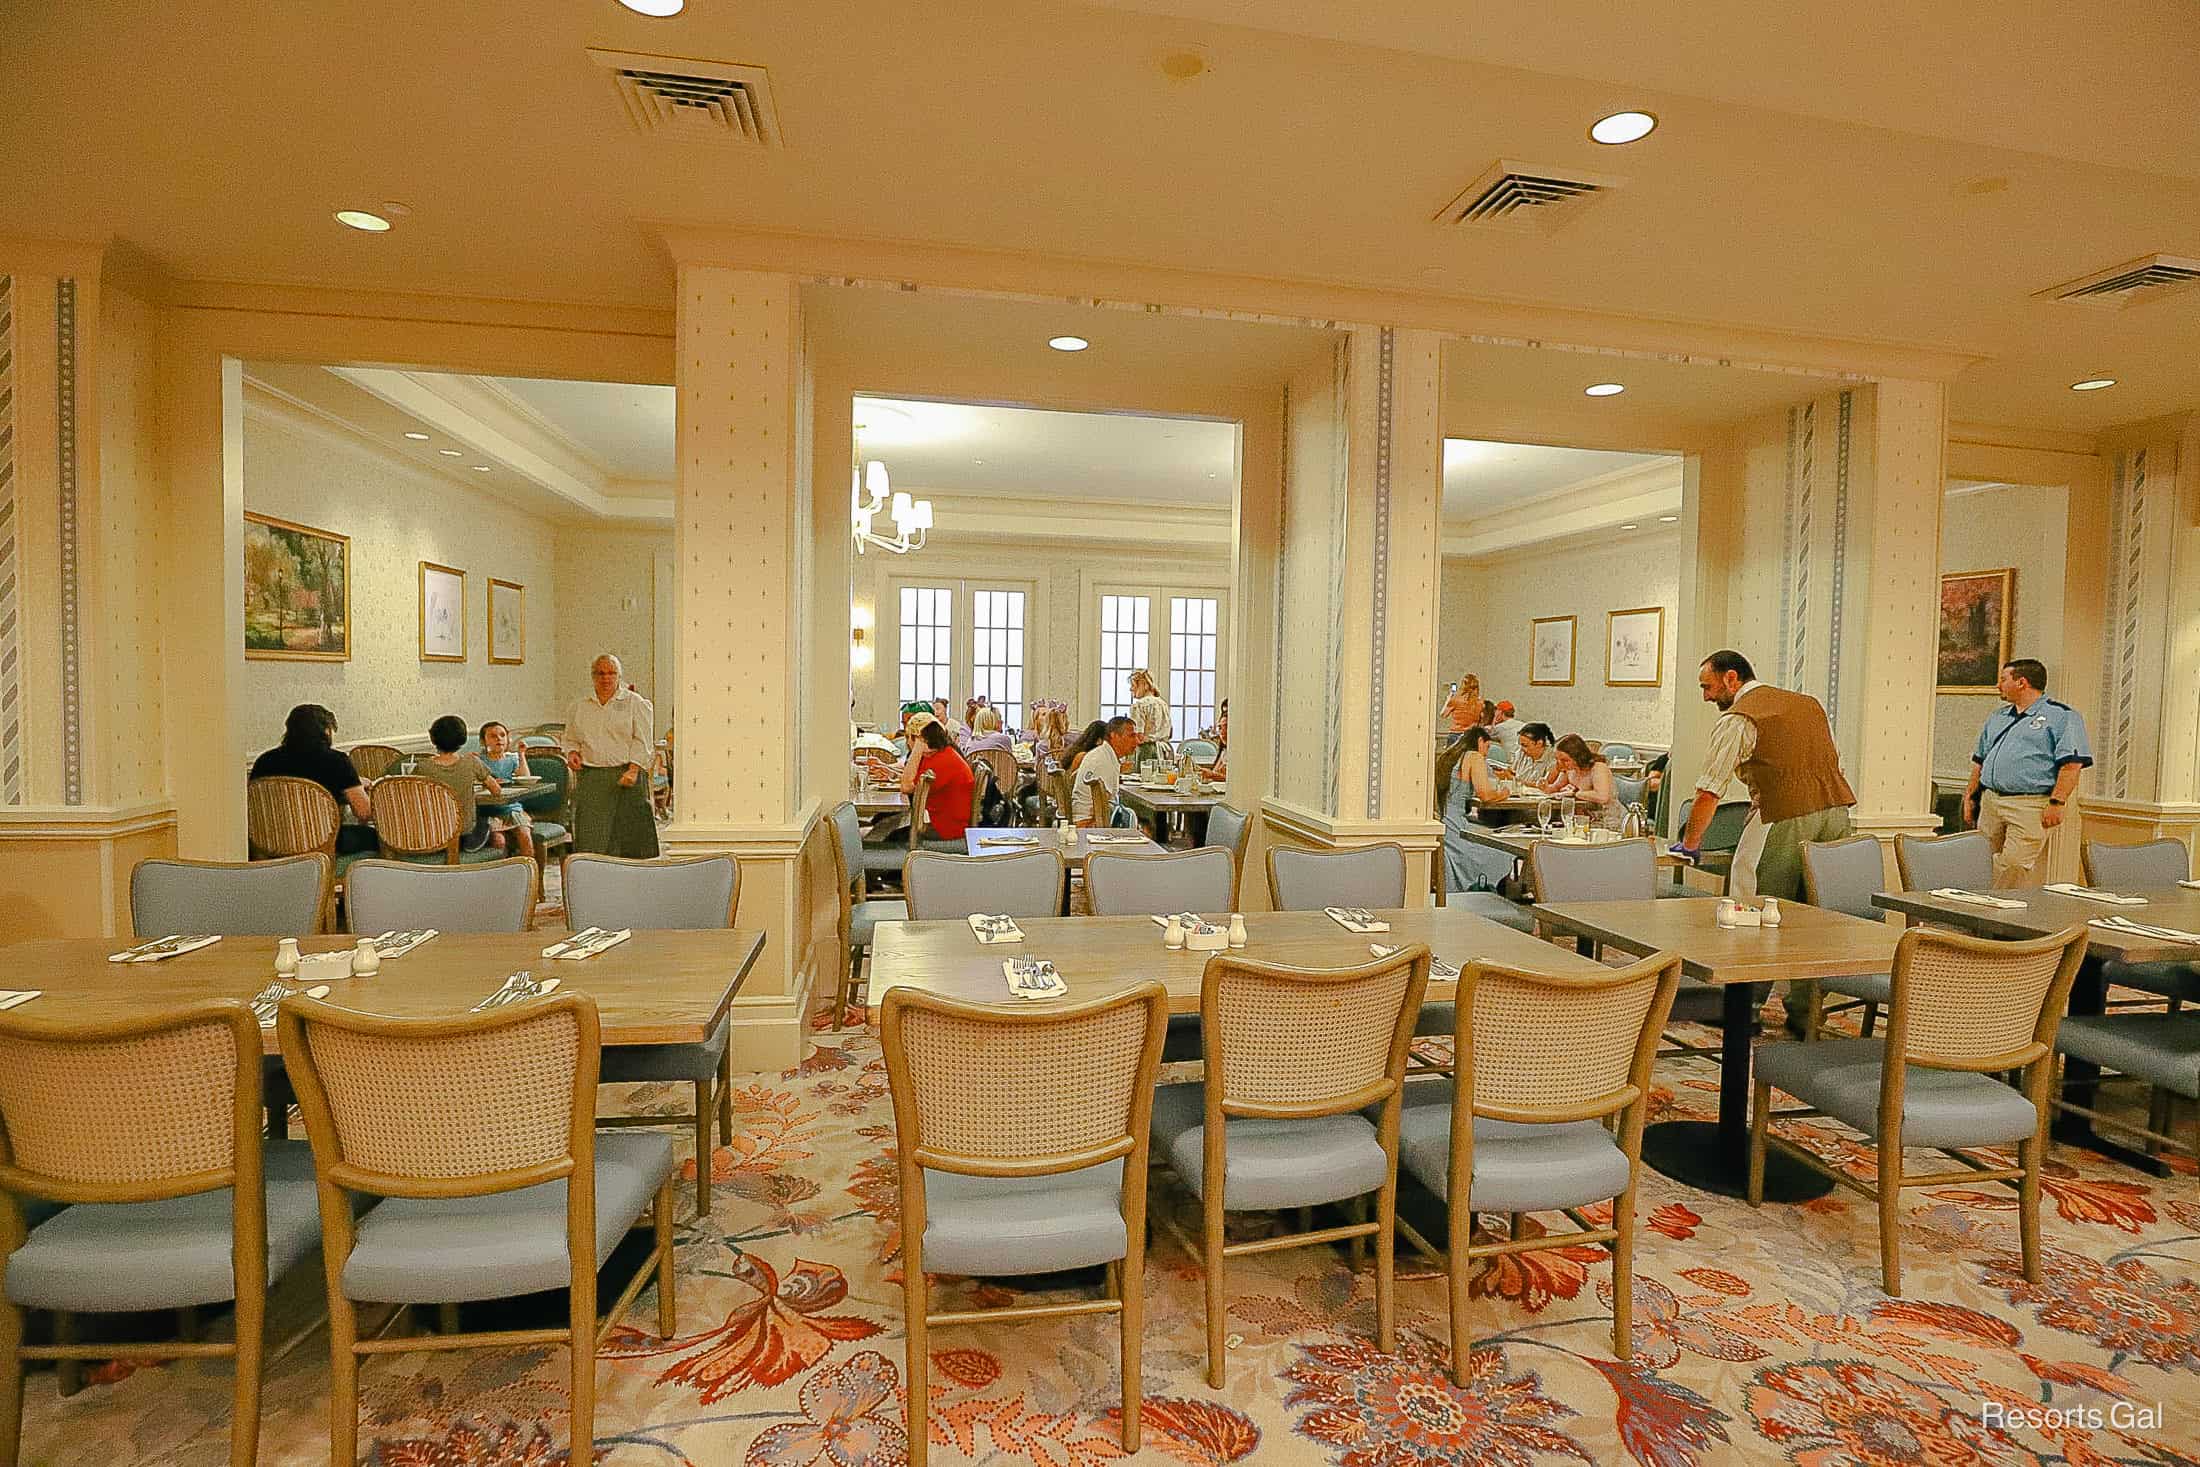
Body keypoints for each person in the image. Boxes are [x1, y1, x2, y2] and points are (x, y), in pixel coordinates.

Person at [1674, 649, 1857, 1034]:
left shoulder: (1740, 718)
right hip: (1837, 812)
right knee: (1815, 919)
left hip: (1783, 815)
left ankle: (1747, 1006)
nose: (1706, 696)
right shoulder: (1808, 705)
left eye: (1707, 687)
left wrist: (1690, 843)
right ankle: (1805, 1012)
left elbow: (1709, 791)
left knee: (1751, 905)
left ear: (1731, 679)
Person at [1963, 658, 2091, 887]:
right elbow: (1979, 760)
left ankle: (1997, 917)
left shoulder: (2062, 717)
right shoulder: (1998, 717)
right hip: (1991, 800)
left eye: (2003, 679)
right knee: (1979, 863)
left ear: (2021, 682)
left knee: (2013, 866)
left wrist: (2057, 802)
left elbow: (2071, 765)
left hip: (2029, 804)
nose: (1998, 685)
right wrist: (1970, 797)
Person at [561, 653, 660, 858]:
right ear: (592, 676)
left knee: (631, 839)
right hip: (592, 777)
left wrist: (633, 770)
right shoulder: (579, 706)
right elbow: (570, 738)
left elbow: (642, 741)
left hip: (627, 777)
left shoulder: (635, 703)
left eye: (611, 673)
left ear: (619, 676)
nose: (605, 678)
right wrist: (572, 753)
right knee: (592, 839)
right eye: (600, 673)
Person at [250, 703, 377, 854]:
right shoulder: (336, 761)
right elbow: (364, 812)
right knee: (374, 836)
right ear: (326, 731)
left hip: (271, 840)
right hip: (321, 842)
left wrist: (354, 781)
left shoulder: (265, 761)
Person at [1440, 727, 1516, 893]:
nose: (1486, 753)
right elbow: (1486, 794)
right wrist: (1505, 793)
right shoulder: (1474, 756)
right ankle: (1498, 892)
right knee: (1504, 849)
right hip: (1456, 823)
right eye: (1487, 747)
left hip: (1444, 818)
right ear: (1480, 741)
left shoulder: (1449, 756)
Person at [411, 715, 501, 853]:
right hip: (464, 832)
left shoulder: (422, 767)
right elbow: (496, 791)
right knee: (488, 820)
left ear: (433, 738)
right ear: (462, 739)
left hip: (434, 835)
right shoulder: (471, 762)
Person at [903, 718, 977, 840]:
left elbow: (906, 786)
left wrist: (917, 750)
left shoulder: (943, 760)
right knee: (884, 822)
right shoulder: (943, 754)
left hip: (945, 829)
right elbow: (911, 779)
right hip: (940, 821)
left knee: (886, 831)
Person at [477, 721, 537, 860]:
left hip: (512, 809)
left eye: (502, 735)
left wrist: (521, 755)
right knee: (499, 842)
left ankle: (530, 874)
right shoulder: (479, 761)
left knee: (525, 836)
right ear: (483, 741)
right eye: (493, 736)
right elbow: (475, 783)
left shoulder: (512, 759)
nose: (499, 739)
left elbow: (525, 778)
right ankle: (503, 876)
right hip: (489, 812)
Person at [1549, 735, 1625, 832]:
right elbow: (1555, 788)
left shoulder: (1598, 768)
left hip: (1608, 821)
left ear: (1577, 757)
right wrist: (1544, 786)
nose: (1561, 763)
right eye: (1558, 759)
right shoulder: (1570, 769)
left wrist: (1576, 793)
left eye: (1565, 760)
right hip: (1581, 820)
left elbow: (1602, 797)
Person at [1072, 716, 1137, 827]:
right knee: (1145, 829)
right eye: (1131, 736)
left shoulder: (1105, 754)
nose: (1137, 741)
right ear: (1114, 736)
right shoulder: (1102, 760)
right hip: (1088, 824)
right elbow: (1102, 808)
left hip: (1089, 819)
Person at [1127, 670, 1173, 751]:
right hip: (1165, 750)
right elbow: (1169, 732)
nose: (1131, 689)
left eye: (1133, 685)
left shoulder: (1138, 706)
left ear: (1144, 685)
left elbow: (1138, 735)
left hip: (1146, 751)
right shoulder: (1163, 704)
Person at [1509, 722, 1557, 787]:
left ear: (1539, 743)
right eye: (1520, 744)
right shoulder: (1520, 753)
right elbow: (1512, 772)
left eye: (1525, 745)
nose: (1521, 748)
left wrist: (1513, 779)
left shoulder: (1553, 759)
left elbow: (1544, 786)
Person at [1488, 701, 1526, 766]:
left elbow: (1486, 736)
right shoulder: (1522, 724)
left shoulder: (1500, 727)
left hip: (1511, 763)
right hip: (1523, 762)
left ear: (1500, 712)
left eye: (1496, 711)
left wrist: (1494, 719)